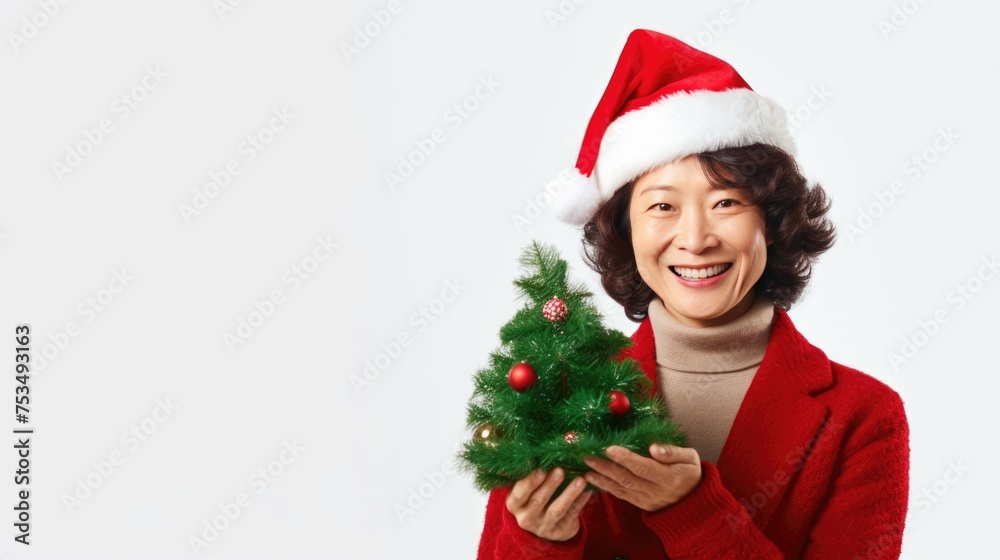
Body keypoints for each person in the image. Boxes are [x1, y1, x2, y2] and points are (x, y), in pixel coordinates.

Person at [475, 29, 910, 559]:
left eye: (726, 203)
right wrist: (540, 540)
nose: (697, 239)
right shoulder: (556, 393)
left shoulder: (863, 418)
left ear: (770, 222)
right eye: (662, 207)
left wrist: (693, 511)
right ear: (625, 230)